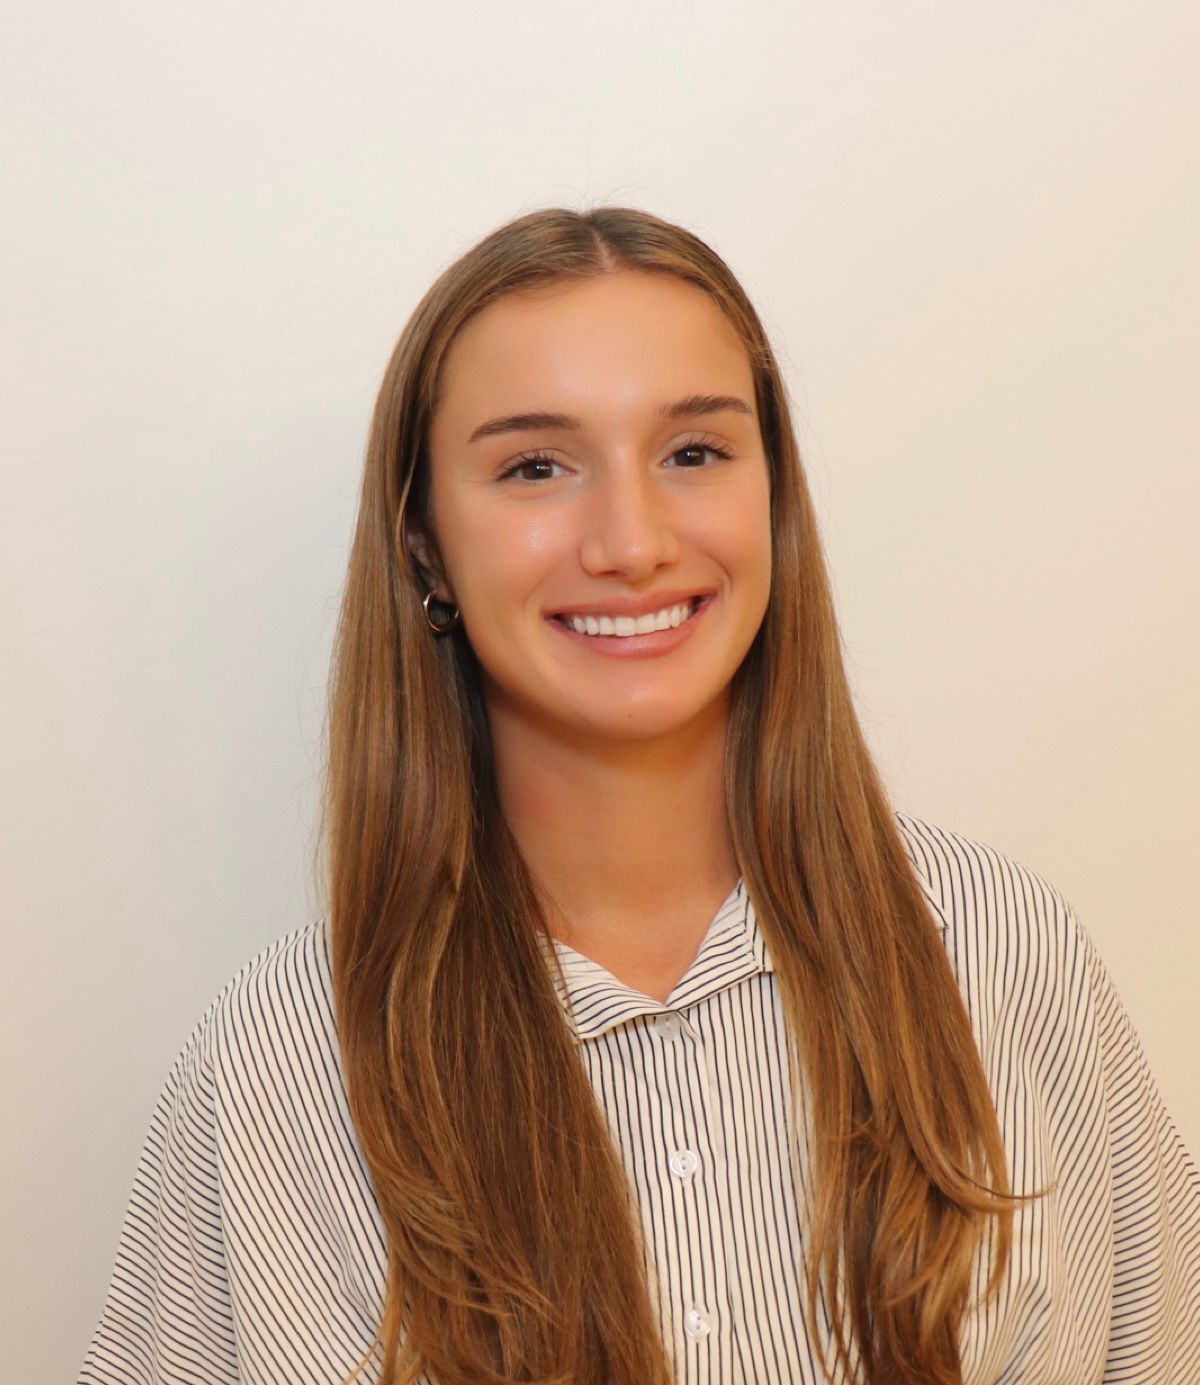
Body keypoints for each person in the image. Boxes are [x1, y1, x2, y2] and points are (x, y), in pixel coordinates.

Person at [79, 207, 1200, 1385]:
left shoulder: (1005, 949)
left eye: (694, 452)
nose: (632, 540)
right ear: (424, 543)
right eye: (535, 467)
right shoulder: (276, 1062)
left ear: (774, 497)